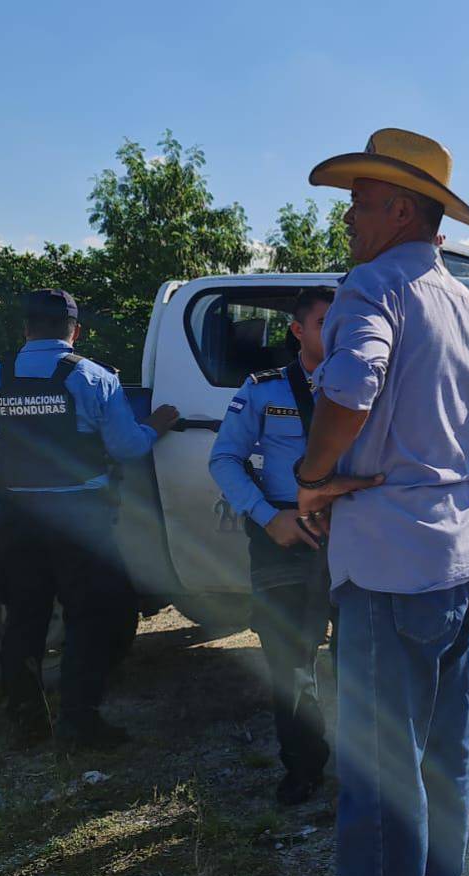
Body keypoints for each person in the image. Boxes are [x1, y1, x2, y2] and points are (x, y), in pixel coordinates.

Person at [296, 128, 469, 876]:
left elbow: (350, 388)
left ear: (401, 211)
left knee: (383, 777)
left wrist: (310, 476)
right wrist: (458, 468)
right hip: (459, 559)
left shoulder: (374, 287)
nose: (347, 220)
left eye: (359, 205)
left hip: (390, 564)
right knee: (443, 762)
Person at [0, 289, 180, 749]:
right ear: (74, 331)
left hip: (18, 514)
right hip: (80, 518)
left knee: (24, 618)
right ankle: (79, 723)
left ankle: (26, 722)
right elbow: (126, 448)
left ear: (26, 329)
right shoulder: (94, 377)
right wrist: (156, 426)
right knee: (89, 618)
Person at [209, 287, 336, 806]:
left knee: (364, 658)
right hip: (284, 536)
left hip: (356, 535)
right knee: (289, 662)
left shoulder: (379, 386)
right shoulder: (263, 390)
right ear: (298, 330)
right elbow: (224, 459)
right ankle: (304, 766)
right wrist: (267, 517)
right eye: (326, 321)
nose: (339, 330)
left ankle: (374, 769)